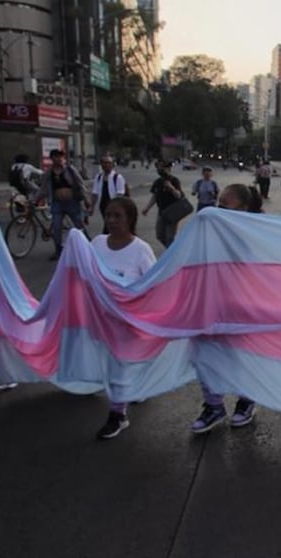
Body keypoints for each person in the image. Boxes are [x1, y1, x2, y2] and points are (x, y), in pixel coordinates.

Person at [189, 183, 263, 433]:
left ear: (243, 209)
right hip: (211, 304)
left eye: (224, 206)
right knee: (203, 354)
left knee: (242, 357)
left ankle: (246, 401)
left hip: (243, 307)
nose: (217, 211)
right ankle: (213, 405)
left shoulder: (256, 235)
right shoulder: (208, 232)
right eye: (217, 205)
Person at [91, 197, 158, 439]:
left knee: (119, 366)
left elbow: (153, 285)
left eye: (117, 216)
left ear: (130, 219)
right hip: (101, 320)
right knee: (113, 365)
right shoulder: (96, 243)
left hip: (128, 323)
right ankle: (135, 386)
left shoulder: (141, 250)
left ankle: (117, 415)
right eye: (108, 215)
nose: (111, 220)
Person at [42, 149, 88, 260]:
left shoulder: (70, 170)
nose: (59, 159)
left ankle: (88, 247)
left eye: (61, 157)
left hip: (72, 202)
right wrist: (34, 199)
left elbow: (80, 184)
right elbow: (43, 189)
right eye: (56, 157)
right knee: (57, 227)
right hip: (57, 203)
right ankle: (58, 250)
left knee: (79, 225)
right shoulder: (48, 173)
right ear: (52, 158)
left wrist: (86, 199)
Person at [142, 160, 183, 248]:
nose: (160, 169)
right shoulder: (157, 182)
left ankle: (171, 256)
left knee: (170, 237)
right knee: (159, 235)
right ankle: (172, 251)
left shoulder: (174, 180)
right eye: (158, 168)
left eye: (163, 168)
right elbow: (154, 196)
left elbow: (179, 195)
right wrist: (147, 208)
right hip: (161, 212)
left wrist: (171, 188)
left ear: (169, 169)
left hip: (172, 213)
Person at [88, 155, 128, 232]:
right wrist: (91, 207)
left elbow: (120, 194)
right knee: (108, 224)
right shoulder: (98, 177)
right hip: (103, 205)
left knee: (110, 225)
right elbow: (95, 193)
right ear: (101, 165)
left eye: (109, 163)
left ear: (112, 165)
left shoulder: (117, 177)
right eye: (104, 163)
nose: (106, 165)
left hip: (114, 205)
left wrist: (116, 207)